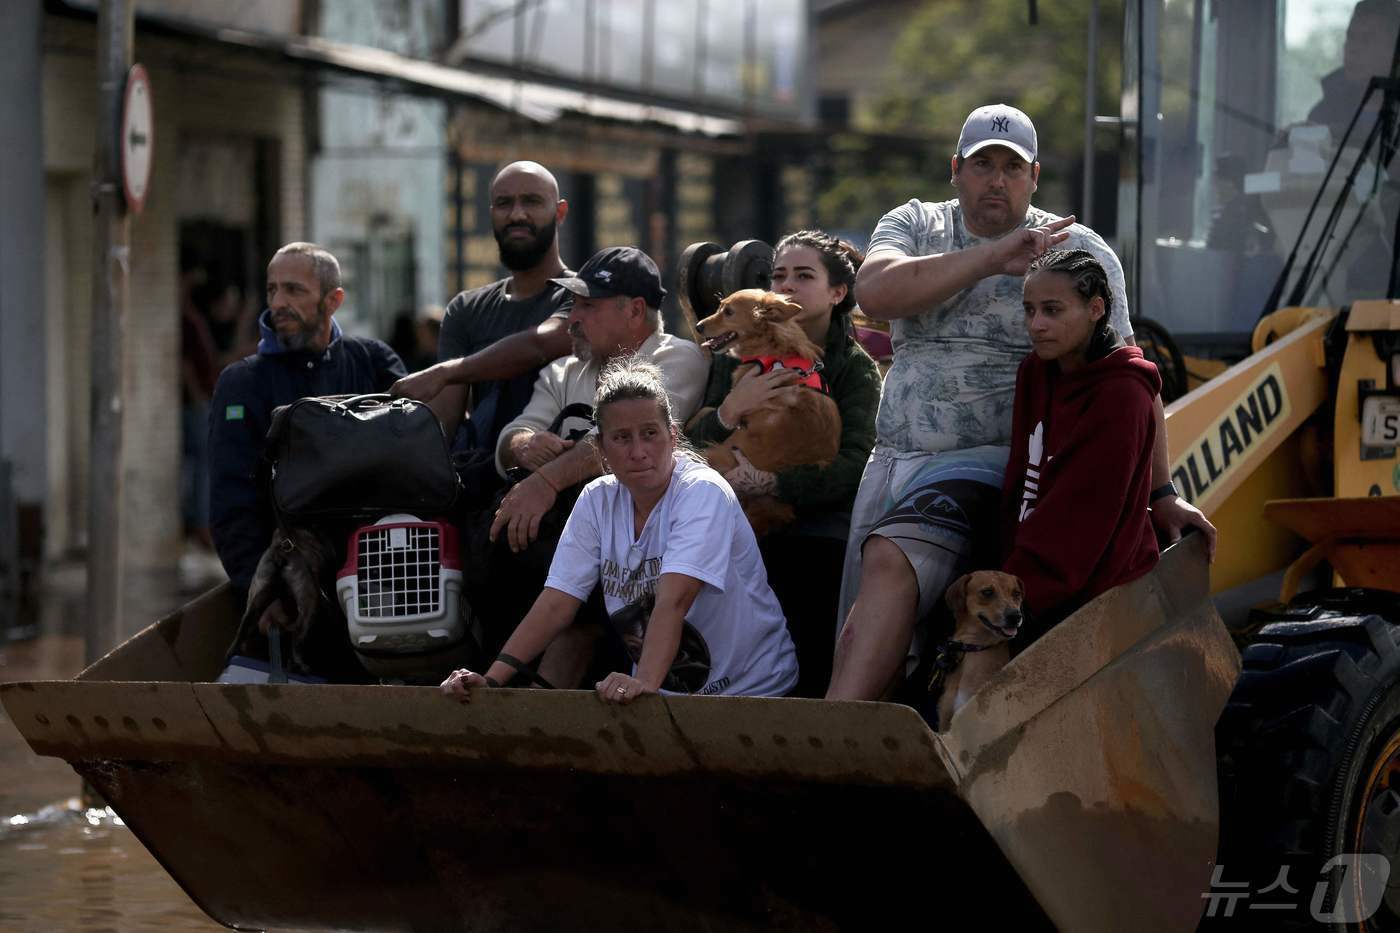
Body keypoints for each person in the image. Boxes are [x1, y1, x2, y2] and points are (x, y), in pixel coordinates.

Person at [826, 103, 1215, 702]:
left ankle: (840, 727)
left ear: (1035, 178)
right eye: (983, 165)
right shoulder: (916, 222)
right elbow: (875, 290)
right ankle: (852, 738)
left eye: (1013, 167)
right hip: (896, 454)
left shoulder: (1075, 250)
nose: (996, 180)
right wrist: (993, 257)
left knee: (892, 556)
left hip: (1000, 462)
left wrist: (1161, 494)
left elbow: (1134, 373)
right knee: (857, 619)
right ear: (956, 170)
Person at [440, 356, 798, 703]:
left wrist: (641, 684)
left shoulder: (702, 491)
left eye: (650, 433)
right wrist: (490, 680)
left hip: (757, 693)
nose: (639, 451)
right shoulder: (596, 499)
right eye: (622, 438)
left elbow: (674, 601)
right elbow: (556, 603)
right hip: (665, 695)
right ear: (601, 450)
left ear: (673, 437)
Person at [684, 230, 880, 697]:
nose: (787, 285)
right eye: (778, 275)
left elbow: (856, 465)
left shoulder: (855, 368)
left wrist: (773, 483)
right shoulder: (735, 356)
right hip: (732, 513)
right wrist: (731, 410)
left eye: (803, 275)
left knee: (801, 567)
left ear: (838, 293)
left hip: (816, 527)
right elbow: (687, 444)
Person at [208, 243, 406, 602]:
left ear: (333, 300)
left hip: (379, 577)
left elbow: (411, 462)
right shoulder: (242, 383)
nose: (278, 302)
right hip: (289, 583)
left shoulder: (374, 363)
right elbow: (231, 500)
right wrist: (261, 588)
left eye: (294, 290)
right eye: (272, 289)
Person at [490, 246, 708, 553]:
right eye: (573, 304)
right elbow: (515, 432)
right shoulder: (562, 371)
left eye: (588, 305)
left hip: (656, 546)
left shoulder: (678, 358)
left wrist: (547, 481)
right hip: (567, 544)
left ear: (634, 310)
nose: (572, 318)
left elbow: (622, 439)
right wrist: (524, 445)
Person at [390, 161, 576, 502]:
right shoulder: (466, 309)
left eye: (532, 201)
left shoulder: (581, 298)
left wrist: (449, 371)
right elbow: (444, 422)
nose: (516, 214)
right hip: (480, 495)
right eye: (504, 204)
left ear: (560, 212)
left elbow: (541, 343)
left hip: (558, 492)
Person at [1002, 250, 1160, 641]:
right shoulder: (1037, 371)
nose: (1036, 325)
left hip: (1090, 594)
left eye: (1053, 311)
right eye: (1030, 310)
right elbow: (1019, 480)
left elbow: (1083, 521)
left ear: (1095, 309)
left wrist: (1011, 598)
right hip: (1023, 582)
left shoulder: (1123, 392)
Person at [1308, 0, 1400, 142]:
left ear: (1395, 50)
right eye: (1350, 37)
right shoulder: (1323, 115)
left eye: (1366, 39)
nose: (1352, 49)